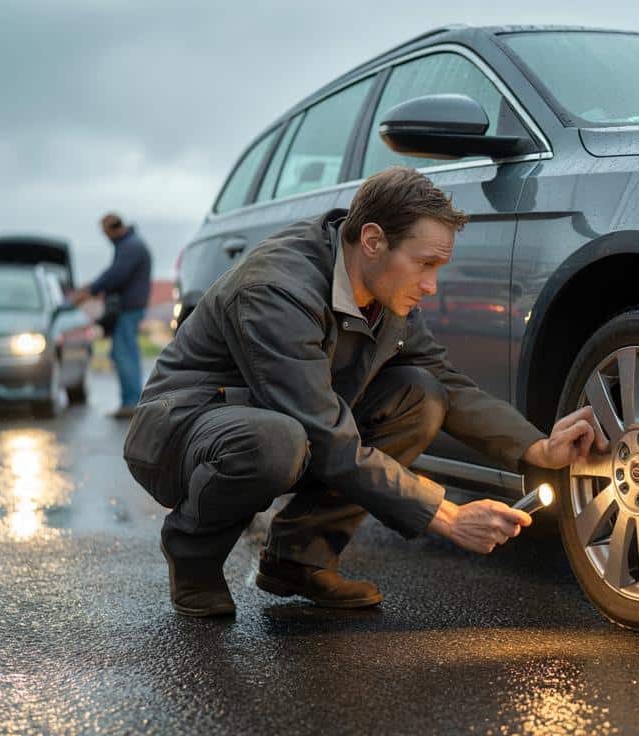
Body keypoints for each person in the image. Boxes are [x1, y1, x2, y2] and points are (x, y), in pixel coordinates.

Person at [124, 167, 605, 618]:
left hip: (279, 420)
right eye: (425, 264)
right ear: (373, 240)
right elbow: (326, 434)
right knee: (279, 441)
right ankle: (193, 554)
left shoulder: (380, 289)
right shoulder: (277, 289)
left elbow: (448, 383)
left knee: (423, 395)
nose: (432, 286)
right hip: (183, 430)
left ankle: (298, 559)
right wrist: (446, 515)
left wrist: (537, 446)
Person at [73, 213, 152, 419]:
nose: (105, 237)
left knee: (123, 353)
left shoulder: (130, 246)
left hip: (128, 308)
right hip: (129, 307)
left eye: (105, 232)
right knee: (125, 352)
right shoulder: (129, 245)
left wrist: (91, 289)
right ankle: (131, 401)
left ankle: (131, 403)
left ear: (113, 228)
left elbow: (115, 275)